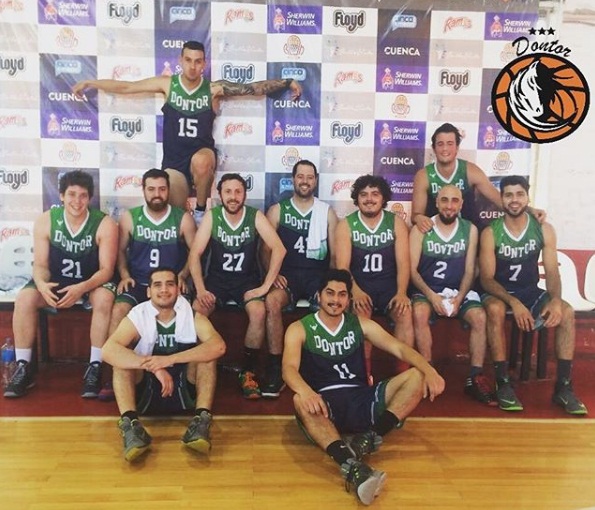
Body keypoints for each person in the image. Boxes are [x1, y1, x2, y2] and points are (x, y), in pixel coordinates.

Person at [72, 40, 302, 224]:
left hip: (202, 155)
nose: (193, 66)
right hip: (174, 162)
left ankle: (201, 212)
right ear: (181, 60)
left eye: (198, 61)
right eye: (188, 60)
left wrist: (287, 81)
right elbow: (127, 87)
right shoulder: (167, 84)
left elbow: (252, 88)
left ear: (204, 64)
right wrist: (91, 83)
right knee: (175, 217)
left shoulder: (212, 89)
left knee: (201, 161)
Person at [282, 269, 445, 505]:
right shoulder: (300, 328)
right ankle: (352, 467)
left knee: (416, 376)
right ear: (319, 295)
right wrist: (306, 391)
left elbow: (399, 348)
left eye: (341, 294)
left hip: (361, 399)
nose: (335, 300)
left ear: (349, 299)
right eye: (330, 293)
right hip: (325, 405)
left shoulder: (360, 324)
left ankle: (370, 437)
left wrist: (430, 370)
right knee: (299, 400)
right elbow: (288, 368)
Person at [4, 170, 118, 399]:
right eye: (72, 194)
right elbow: (41, 265)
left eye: (83, 195)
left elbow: (106, 270)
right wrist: (41, 284)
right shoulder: (46, 221)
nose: (77, 201)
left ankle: (95, 367)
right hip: (57, 280)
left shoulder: (104, 223)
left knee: (105, 299)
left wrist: (82, 288)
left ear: (90, 198)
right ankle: (23, 367)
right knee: (24, 298)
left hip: (91, 281)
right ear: (62, 196)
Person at [479, 175, 587, 415]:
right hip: (499, 292)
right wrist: (514, 302)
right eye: (509, 195)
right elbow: (486, 279)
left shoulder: (543, 229)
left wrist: (556, 300)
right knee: (495, 310)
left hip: (529, 291)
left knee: (567, 312)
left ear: (528, 198)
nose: (514, 200)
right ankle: (502, 383)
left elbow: (552, 271)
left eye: (520, 194)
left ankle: (563, 387)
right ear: (501, 199)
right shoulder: (491, 232)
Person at [102, 267, 226, 461]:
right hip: (148, 388)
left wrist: (169, 359)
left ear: (178, 289)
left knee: (207, 355)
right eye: (157, 285)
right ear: (148, 291)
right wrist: (154, 367)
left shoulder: (192, 315)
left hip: (183, 387)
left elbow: (218, 346)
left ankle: (201, 422)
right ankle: (131, 427)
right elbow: (108, 351)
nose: (164, 290)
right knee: (121, 361)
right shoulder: (138, 315)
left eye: (169, 284)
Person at [189, 173, 286, 399]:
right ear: (220, 195)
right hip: (217, 280)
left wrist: (265, 286)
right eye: (228, 192)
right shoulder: (213, 216)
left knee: (259, 311)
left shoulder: (254, 216)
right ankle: (195, 370)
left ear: (244, 195)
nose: (233, 197)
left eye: (238, 191)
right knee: (198, 310)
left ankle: (248, 370)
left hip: (246, 280)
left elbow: (279, 249)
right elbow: (194, 255)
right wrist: (201, 289)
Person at [409, 185, 494, 405]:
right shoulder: (422, 228)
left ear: (461, 204)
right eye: (444, 200)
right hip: (428, 289)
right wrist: (432, 296)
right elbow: (412, 270)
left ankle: (475, 377)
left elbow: (470, 271)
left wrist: (460, 297)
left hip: (458, 289)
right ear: (437, 203)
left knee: (480, 317)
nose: (449, 205)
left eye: (454, 200)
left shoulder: (470, 229)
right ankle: (428, 372)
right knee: (419, 312)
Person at [261, 160, 338, 398]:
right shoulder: (278, 210)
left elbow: (335, 256)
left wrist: (329, 285)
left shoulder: (326, 212)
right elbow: (265, 250)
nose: (305, 181)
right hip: (289, 276)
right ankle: (275, 365)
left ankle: (324, 368)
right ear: (293, 179)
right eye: (300, 176)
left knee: (331, 304)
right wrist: (273, 274)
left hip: (317, 276)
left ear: (316, 181)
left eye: (310, 177)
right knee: (272, 302)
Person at [335, 174, 414, 378]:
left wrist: (402, 292)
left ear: (383, 198)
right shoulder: (346, 225)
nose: (369, 199)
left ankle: (402, 374)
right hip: (360, 285)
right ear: (357, 198)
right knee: (362, 314)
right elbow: (342, 267)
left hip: (389, 286)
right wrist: (355, 291)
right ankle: (365, 375)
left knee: (404, 313)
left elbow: (403, 263)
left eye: (375, 194)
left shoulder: (395, 222)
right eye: (363, 194)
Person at [108, 168, 196, 335]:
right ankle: (113, 353)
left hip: (170, 284)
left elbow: (195, 253)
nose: (157, 194)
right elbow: (119, 250)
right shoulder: (130, 217)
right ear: (143, 190)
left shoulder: (183, 218)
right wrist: (125, 275)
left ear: (168, 190)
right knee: (118, 311)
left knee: (182, 317)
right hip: (139, 282)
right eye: (151, 189)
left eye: (162, 189)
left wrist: (183, 275)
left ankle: (179, 353)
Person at [411, 122, 545, 233]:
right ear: (434, 148)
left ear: (457, 147)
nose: (445, 149)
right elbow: (416, 215)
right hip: (436, 236)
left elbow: (499, 200)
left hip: (469, 235)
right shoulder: (424, 176)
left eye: (450, 143)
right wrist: (419, 219)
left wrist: (530, 210)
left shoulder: (470, 170)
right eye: (440, 144)